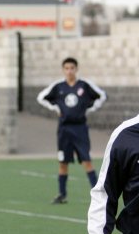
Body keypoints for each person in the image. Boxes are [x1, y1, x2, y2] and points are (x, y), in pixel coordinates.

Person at [37, 57, 107, 204]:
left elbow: (102, 96)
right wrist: (56, 108)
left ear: (76, 69)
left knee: (86, 161)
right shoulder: (58, 86)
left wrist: (89, 109)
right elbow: (41, 98)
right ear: (63, 70)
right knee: (63, 162)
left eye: (72, 68)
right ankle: (62, 194)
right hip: (64, 129)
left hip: (80, 128)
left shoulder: (85, 85)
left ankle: (98, 194)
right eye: (66, 68)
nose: (69, 71)